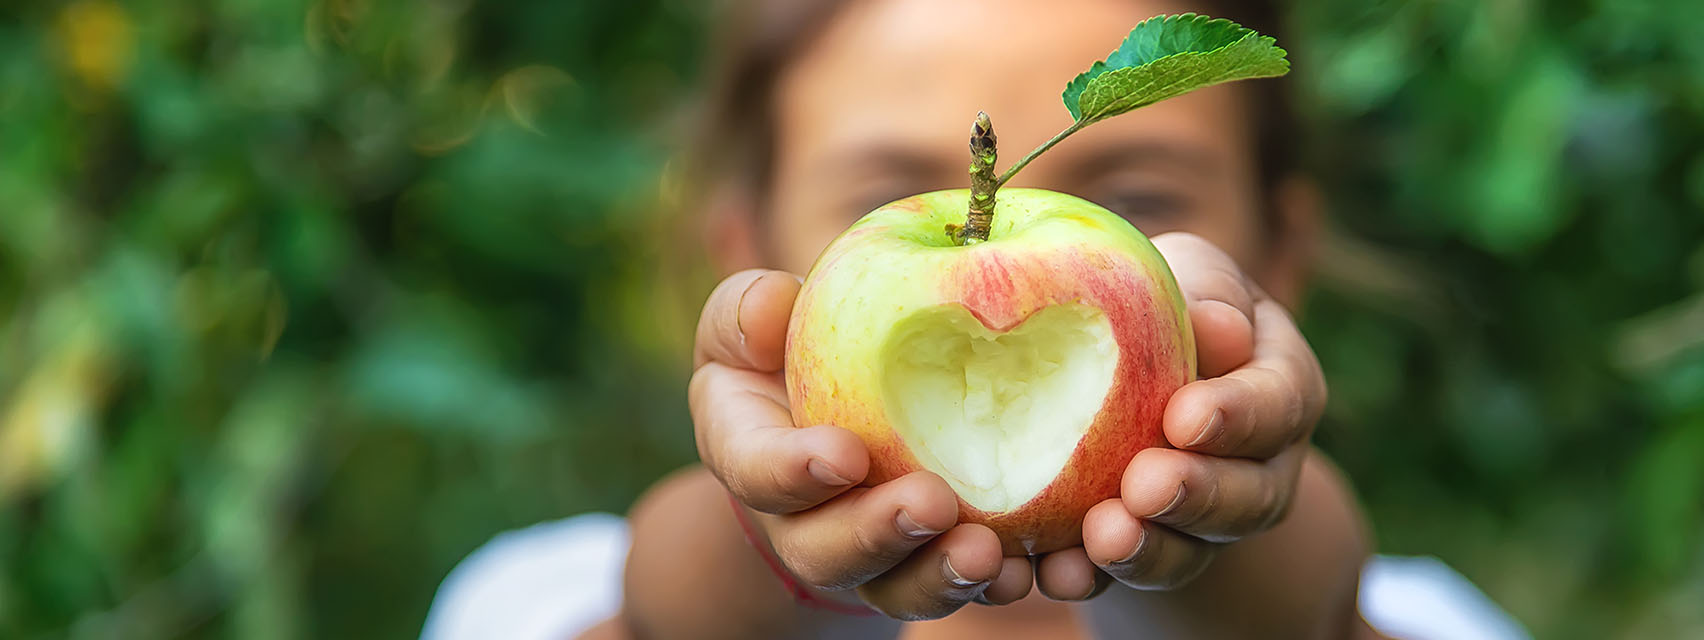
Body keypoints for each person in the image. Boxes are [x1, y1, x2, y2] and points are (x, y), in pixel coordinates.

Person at [421, 0, 1532, 638]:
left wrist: (1233, 546)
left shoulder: (1425, 614)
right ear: (747, 258)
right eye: (879, 198)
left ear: (1278, 254)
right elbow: (670, 612)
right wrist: (779, 538)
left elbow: (1320, 612)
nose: (1019, 271)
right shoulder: (531, 594)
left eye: (1138, 199)